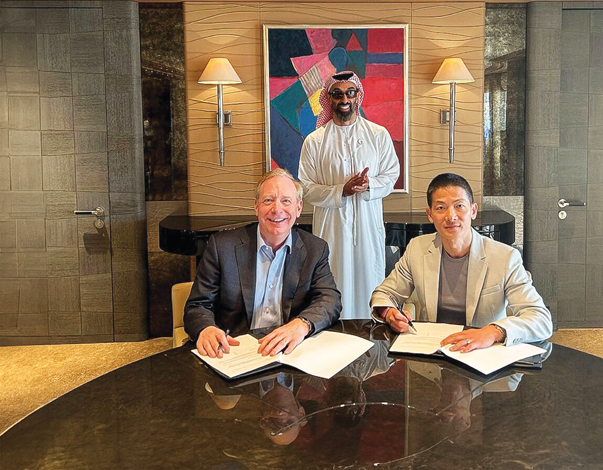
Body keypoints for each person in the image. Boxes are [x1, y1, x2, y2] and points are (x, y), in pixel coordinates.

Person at [370, 173, 553, 352]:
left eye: (459, 206)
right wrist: (389, 312)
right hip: (433, 352)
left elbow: (540, 319)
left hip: (481, 355)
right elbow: (384, 294)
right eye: (440, 208)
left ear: (473, 210)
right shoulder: (417, 249)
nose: (451, 216)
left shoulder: (505, 257)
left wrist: (493, 331)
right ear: (430, 214)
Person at [184, 168, 342, 358]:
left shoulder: (315, 249)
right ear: (256, 206)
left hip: (288, 352)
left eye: (286, 201)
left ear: (298, 208)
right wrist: (206, 328)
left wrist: (302, 324)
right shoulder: (222, 247)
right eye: (268, 200)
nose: (277, 209)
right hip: (234, 351)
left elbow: (329, 299)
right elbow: (198, 305)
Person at [299, 71, 400, 320]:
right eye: (337, 94)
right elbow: (306, 188)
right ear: (329, 99)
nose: (344, 99)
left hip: (368, 227)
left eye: (350, 93)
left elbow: (391, 175)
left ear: (357, 96)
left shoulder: (378, 135)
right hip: (331, 229)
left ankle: (370, 335)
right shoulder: (315, 141)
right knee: (332, 281)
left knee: (370, 282)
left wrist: (369, 185)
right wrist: (340, 191)